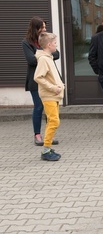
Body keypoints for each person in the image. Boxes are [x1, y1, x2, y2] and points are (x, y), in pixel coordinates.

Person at [22, 16, 60, 146]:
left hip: (49, 80)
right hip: (35, 81)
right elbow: (31, 60)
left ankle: (48, 136)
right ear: (35, 28)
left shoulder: (46, 40)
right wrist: (44, 54)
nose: (44, 29)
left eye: (45, 26)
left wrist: (42, 54)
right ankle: (37, 135)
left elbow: (57, 54)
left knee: (51, 109)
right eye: (42, 27)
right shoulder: (27, 42)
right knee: (39, 107)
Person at [33, 32, 64, 161]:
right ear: (49, 45)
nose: (56, 45)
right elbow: (38, 77)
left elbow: (50, 76)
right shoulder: (43, 59)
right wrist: (53, 88)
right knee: (54, 121)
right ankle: (46, 150)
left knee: (53, 121)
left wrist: (60, 85)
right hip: (49, 96)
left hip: (54, 95)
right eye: (55, 43)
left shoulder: (48, 58)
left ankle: (48, 147)